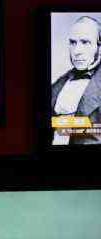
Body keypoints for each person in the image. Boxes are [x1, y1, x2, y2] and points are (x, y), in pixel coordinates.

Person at [51, 16, 101, 146]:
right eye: (73, 42)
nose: (77, 51)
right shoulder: (59, 83)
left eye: (85, 42)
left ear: (99, 47)